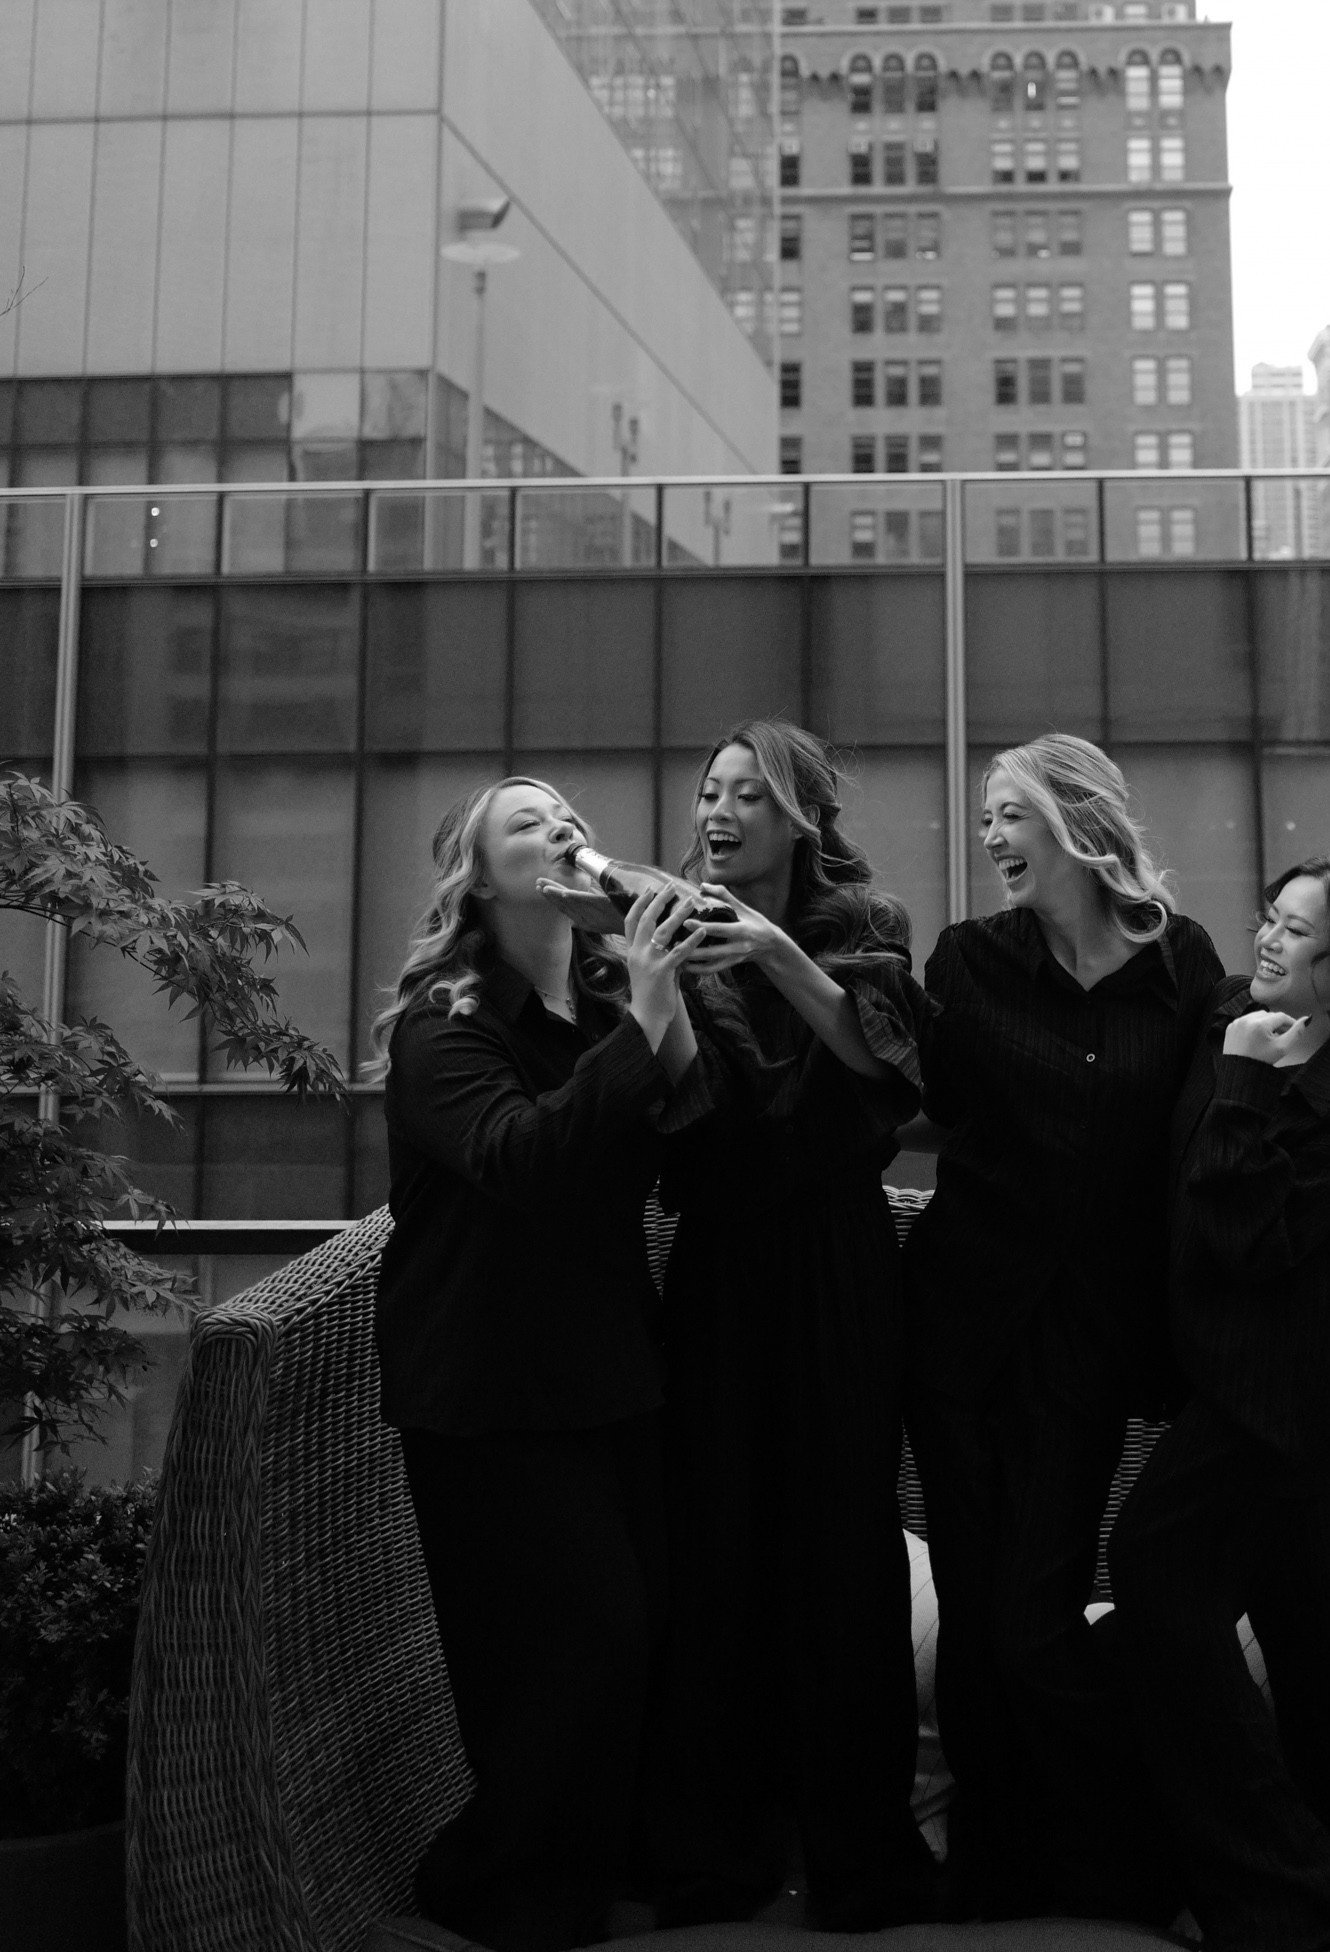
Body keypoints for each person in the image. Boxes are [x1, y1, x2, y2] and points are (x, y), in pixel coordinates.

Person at [1099, 857, 1330, 1950]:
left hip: (1291, 1386)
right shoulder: (1228, 1010)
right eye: (1267, 916)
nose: (1262, 939)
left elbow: (1245, 1242)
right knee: (1310, 1625)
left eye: (1291, 930)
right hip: (1229, 1370)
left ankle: (1279, 1889)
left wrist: (1246, 1083)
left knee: (1155, 1569)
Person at [373, 775, 706, 1952]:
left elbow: (676, 1141)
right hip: (486, 1384)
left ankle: (583, 1873)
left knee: (635, 1630)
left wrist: (668, 999)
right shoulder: (444, 1028)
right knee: (572, 1645)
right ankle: (495, 1889)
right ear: (478, 877)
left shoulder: (600, 1007)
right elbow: (520, 1161)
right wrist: (650, 1017)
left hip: (608, 1366)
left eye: (569, 814)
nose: (562, 825)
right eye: (527, 820)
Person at [903, 733, 1224, 1918]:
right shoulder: (967, 963)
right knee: (985, 1618)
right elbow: (917, 1101)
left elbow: (1223, 1115)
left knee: (1035, 1617)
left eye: (1009, 815)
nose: (989, 836)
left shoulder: (1180, 965)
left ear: (1076, 823)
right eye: (986, 818)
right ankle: (995, 1866)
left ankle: (1141, 1852)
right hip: (958, 1330)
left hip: (1089, 1342)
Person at [643, 721, 938, 1934]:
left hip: (835, 1261)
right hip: (718, 1266)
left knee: (844, 1555)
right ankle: (716, 1853)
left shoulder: (866, 929)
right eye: (709, 791)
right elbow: (704, 1117)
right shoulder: (668, 935)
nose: (717, 811)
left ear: (798, 816)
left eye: (747, 794)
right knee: (712, 1555)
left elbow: (895, 1074)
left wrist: (771, 950)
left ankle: (859, 1858)